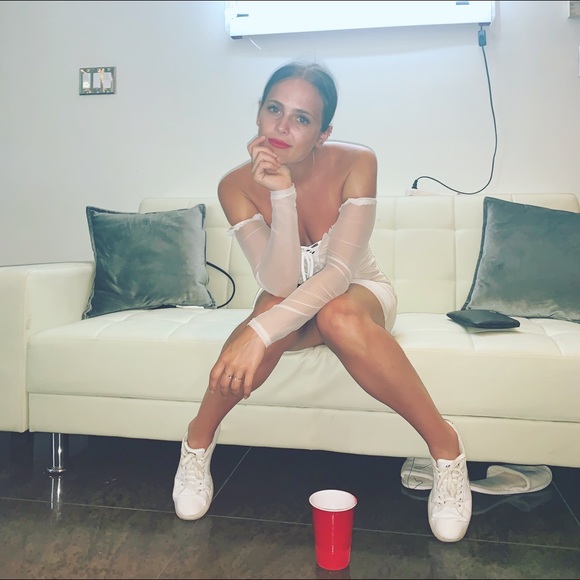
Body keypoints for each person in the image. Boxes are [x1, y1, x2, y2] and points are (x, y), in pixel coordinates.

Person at [172, 61, 472, 543]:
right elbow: (279, 280)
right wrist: (282, 194)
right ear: (258, 113)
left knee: (333, 315)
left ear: (323, 132)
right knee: (269, 312)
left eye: (302, 118)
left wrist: (258, 332)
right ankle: (196, 443)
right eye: (274, 109)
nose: (282, 127)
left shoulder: (357, 162)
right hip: (288, 295)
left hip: (359, 292)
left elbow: (337, 275)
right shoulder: (235, 186)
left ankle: (446, 448)